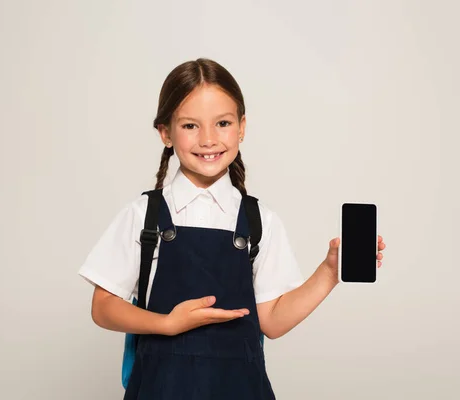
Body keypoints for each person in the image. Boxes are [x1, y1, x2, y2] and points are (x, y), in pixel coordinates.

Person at [78, 58, 386, 399]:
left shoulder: (259, 221)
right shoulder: (143, 216)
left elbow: (272, 321)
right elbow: (103, 307)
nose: (208, 139)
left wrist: (329, 272)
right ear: (165, 132)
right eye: (190, 126)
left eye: (222, 123)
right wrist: (168, 323)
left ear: (241, 127)